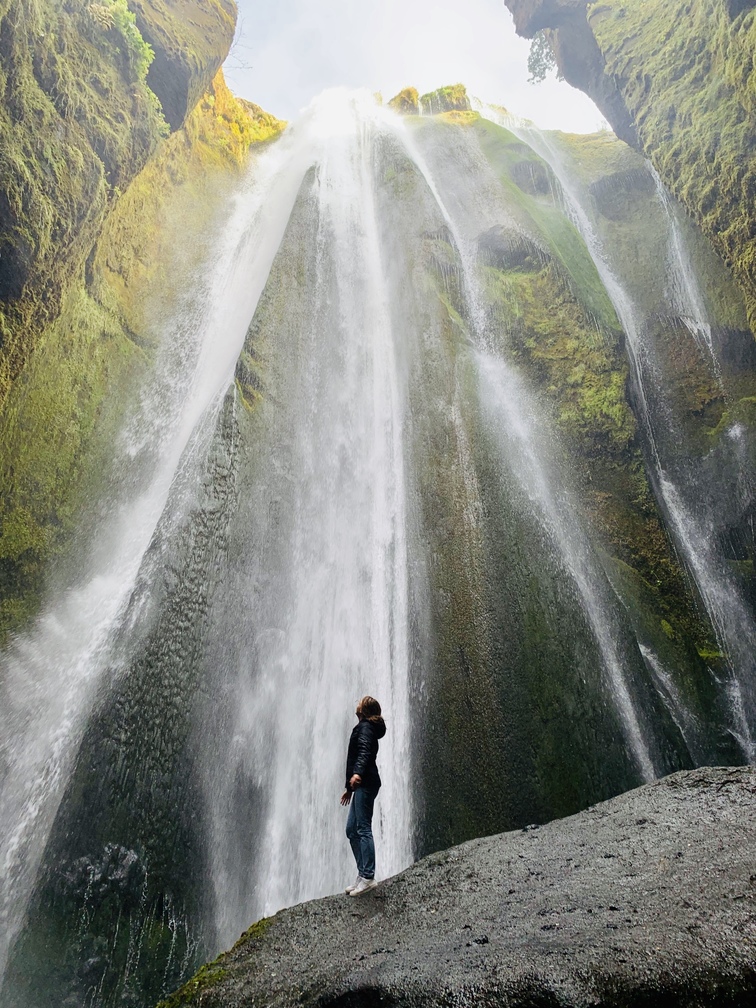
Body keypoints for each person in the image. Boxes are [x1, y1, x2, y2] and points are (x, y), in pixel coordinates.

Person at [340, 695, 386, 897]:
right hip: (360, 785)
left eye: (360, 702)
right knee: (351, 829)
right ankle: (362, 873)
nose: (356, 702)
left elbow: (364, 752)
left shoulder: (366, 728)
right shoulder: (365, 726)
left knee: (363, 828)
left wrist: (357, 774)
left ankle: (368, 876)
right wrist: (349, 789)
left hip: (365, 783)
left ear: (364, 711)